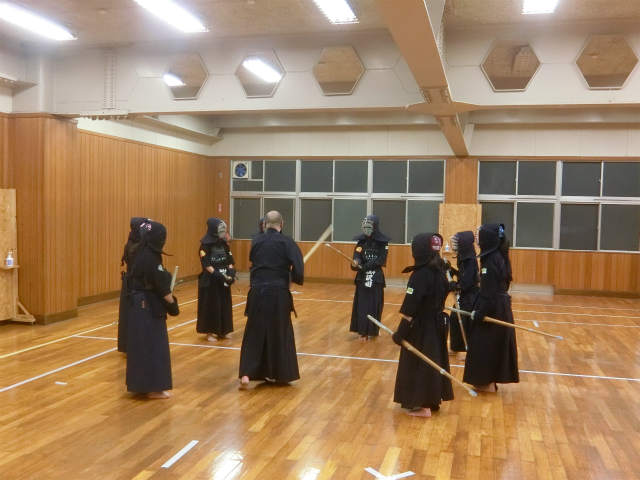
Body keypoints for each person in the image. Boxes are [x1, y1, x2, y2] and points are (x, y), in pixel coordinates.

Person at [238, 210, 303, 389]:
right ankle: (277, 373)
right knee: (279, 332)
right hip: (277, 293)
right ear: (281, 224)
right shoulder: (287, 242)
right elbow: (298, 269)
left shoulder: (256, 241)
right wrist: (292, 277)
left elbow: (255, 264)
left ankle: (246, 374)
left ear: (265, 224)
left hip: (257, 292)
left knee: (254, 332)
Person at [391, 233, 453, 417]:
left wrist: (400, 333)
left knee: (419, 364)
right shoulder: (440, 271)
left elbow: (410, 308)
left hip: (421, 328)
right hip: (437, 324)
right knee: (432, 361)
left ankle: (423, 406)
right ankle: (431, 401)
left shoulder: (420, 275)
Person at [126, 221, 179, 399]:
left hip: (139, 304)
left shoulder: (140, 251)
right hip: (147, 306)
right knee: (153, 345)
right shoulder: (150, 257)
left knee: (142, 345)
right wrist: (172, 305)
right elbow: (161, 286)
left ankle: (141, 385)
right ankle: (153, 388)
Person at [463, 223, 519, 392]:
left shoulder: (491, 260)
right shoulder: (497, 256)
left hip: (493, 309)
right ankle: (488, 382)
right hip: (499, 307)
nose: (477, 237)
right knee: (489, 345)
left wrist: (480, 312)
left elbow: (490, 292)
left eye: (479, 234)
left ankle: (486, 383)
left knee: (484, 345)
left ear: (487, 238)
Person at [350, 215, 390, 341]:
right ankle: (362, 331)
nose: (366, 229)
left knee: (375, 305)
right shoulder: (361, 242)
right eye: (365, 227)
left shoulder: (383, 243)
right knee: (362, 305)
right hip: (362, 278)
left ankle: (373, 330)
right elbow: (357, 254)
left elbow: (381, 259)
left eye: (369, 227)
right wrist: (356, 262)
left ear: (375, 227)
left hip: (376, 278)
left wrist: (365, 266)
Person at [196, 218, 236, 342]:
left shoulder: (224, 244)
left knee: (225, 305)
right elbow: (207, 265)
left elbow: (230, 261)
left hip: (223, 280)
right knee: (211, 306)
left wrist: (230, 274)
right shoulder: (204, 246)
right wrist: (219, 275)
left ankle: (223, 331)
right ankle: (210, 332)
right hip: (210, 281)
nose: (223, 231)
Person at [118, 217, 150, 353]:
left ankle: (133, 346)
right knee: (135, 316)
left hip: (134, 284)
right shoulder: (135, 246)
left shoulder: (134, 244)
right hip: (135, 285)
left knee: (134, 316)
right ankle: (133, 346)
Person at [448, 231, 480, 359]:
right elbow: (462, 275)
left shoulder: (470, 260)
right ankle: (456, 347)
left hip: (471, 296)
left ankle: (469, 350)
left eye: (456, 243)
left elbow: (468, 281)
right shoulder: (462, 257)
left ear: (463, 244)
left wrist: (456, 286)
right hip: (464, 294)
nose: (454, 245)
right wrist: (452, 270)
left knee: (466, 322)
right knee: (454, 318)